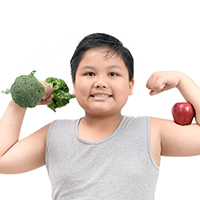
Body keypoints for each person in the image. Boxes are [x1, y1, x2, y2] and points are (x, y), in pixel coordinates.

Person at [0, 33, 200, 200]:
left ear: (130, 86)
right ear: (74, 85)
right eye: (89, 74)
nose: (100, 82)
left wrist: (183, 81)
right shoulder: (55, 134)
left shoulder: (150, 131)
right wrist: (21, 99)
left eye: (113, 74)